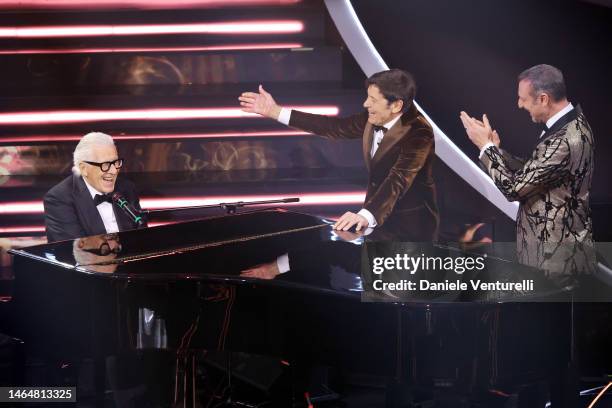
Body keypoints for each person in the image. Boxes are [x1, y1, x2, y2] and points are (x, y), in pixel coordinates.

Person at [239, 68, 439, 242]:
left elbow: (399, 179)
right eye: (367, 96)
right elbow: (334, 127)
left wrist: (366, 215)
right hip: (376, 220)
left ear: (396, 105)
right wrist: (275, 112)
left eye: (373, 100)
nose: (365, 104)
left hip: (411, 228)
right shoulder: (374, 117)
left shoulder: (419, 132)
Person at [460, 64, 594, 275]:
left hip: (556, 261)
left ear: (543, 98)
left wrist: (484, 147)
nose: (519, 104)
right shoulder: (568, 126)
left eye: (523, 98)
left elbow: (514, 189)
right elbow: (536, 171)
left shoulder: (565, 139)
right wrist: (495, 151)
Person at [44, 132, 146, 242]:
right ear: (84, 169)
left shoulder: (127, 188)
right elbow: (76, 252)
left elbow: (141, 238)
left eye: (116, 162)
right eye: (105, 165)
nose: (113, 171)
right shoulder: (59, 199)